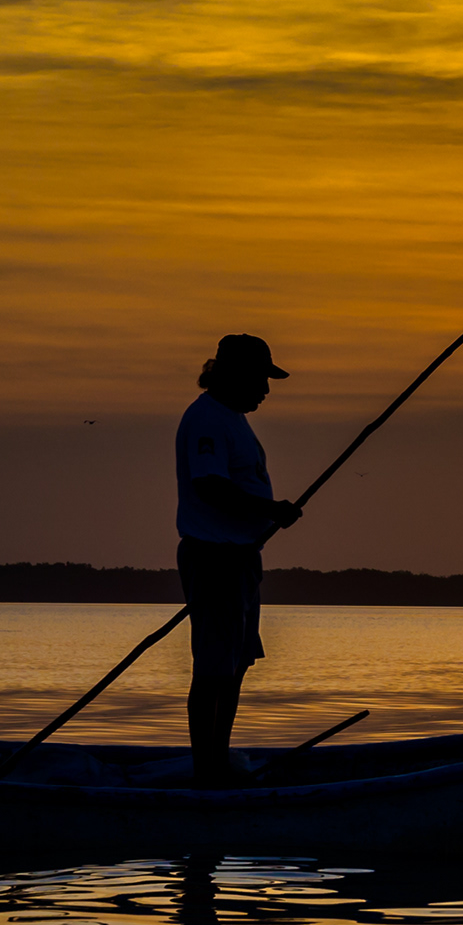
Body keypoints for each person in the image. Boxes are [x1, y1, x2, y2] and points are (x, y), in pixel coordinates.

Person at [175, 332, 304, 780]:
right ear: (232, 375)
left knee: (234, 667)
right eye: (260, 380)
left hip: (240, 560)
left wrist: (268, 514)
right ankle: (206, 772)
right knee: (214, 670)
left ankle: (218, 761)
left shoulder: (232, 419)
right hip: (214, 559)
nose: (266, 390)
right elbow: (209, 485)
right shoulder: (207, 419)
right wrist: (271, 510)